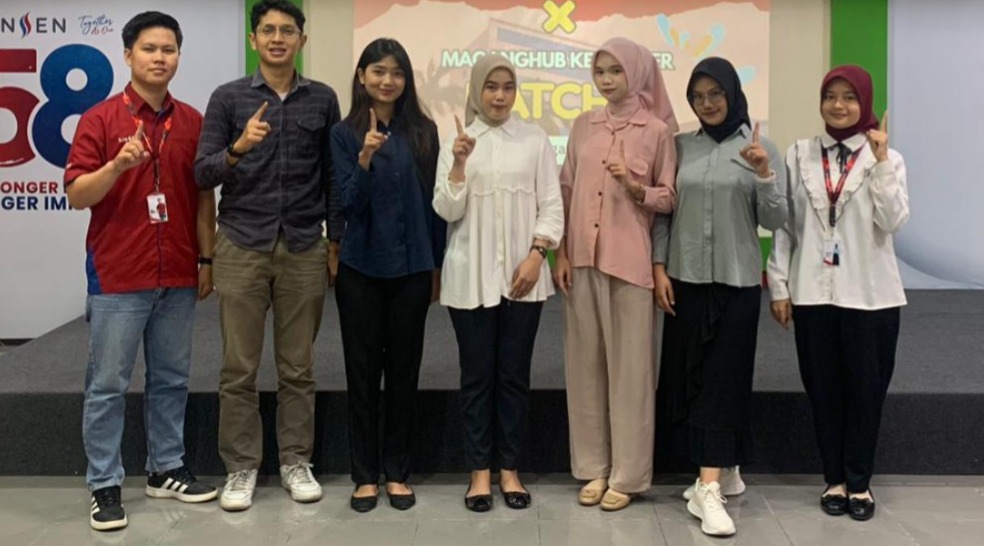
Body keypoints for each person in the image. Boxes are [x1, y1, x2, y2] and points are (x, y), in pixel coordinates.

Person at [64, 11, 218, 531]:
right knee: (108, 385)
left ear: (178, 57)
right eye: (149, 49)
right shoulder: (100, 120)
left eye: (168, 49)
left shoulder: (192, 121)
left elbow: (203, 197)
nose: (159, 58)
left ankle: (165, 467)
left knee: (171, 379)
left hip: (177, 271)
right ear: (128, 54)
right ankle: (104, 484)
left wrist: (206, 258)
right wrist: (116, 166)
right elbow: (76, 194)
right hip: (118, 275)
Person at [194, 0, 342, 511]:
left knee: (298, 367)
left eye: (287, 30)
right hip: (241, 243)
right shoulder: (228, 97)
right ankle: (241, 467)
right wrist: (238, 147)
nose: (278, 38)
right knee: (238, 367)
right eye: (268, 30)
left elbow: (332, 175)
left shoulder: (322, 98)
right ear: (253, 39)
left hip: (303, 244)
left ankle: (296, 461)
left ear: (302, 39)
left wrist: (335, 240)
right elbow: (202, 172)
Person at [652, 57, 788, 537]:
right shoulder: (680, 146)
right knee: (691, 377)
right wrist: (659, 266)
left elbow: (775, 220)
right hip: (686, 280)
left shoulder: (760, 147)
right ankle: (723, 466)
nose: (707, 103)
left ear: (733, 94)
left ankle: (708, 487)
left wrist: (764, 173)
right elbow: (665, 212)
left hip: (736, 282)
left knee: (724, 380)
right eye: (698, 96)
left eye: (716, 94)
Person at [768, 65, 908, 522]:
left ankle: (860, 482)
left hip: (871, 296)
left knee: (866, 392)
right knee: (823, 390)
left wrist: (881, 163)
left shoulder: (886, 157)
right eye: (831, 96)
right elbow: (786, 226)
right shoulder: (800, 154)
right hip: (813, 293)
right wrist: (779, 285)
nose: (839, 105)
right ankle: (834, 478)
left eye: (849, 97)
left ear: (864, 102)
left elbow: (893, 221)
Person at [433, 54, 564, 512]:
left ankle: (509, 469)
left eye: (508, 87)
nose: (500, 96)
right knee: (476, 378)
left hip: (523, 279)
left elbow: (552, 204)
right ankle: (479, 474)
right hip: (470, 277)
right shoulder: (457, 142)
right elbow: (446, 209)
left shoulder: (535, 139)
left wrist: (537, 254)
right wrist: (458, 164)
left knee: (513, 377)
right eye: (491, 87)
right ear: (477, 90)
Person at [553, 37, 677, 512]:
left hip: (630, 265)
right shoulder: (583, 125)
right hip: (582, 260)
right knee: (585, 369)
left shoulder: (657, 131)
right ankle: (593, 468)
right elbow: (566, 189)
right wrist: (562, 253)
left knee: (631, 374)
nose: (606, 80)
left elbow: (669, 197)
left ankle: (628, 474)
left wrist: (635, 186)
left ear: (637, 73)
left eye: (616, 71)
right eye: (600, 71)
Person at [329, 38, 445, 512]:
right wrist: (364, 159)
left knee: (403, 373)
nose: (387, 80)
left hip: (412, 268)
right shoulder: (344, 134)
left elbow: (436, 207)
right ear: (361, 77)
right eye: (378, 71)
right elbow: (347, 203)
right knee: (361, 374)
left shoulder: (424, 131)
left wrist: (437, 265)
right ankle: (364, 475)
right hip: (360, 269)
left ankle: (397, 472)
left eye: (396, 72)